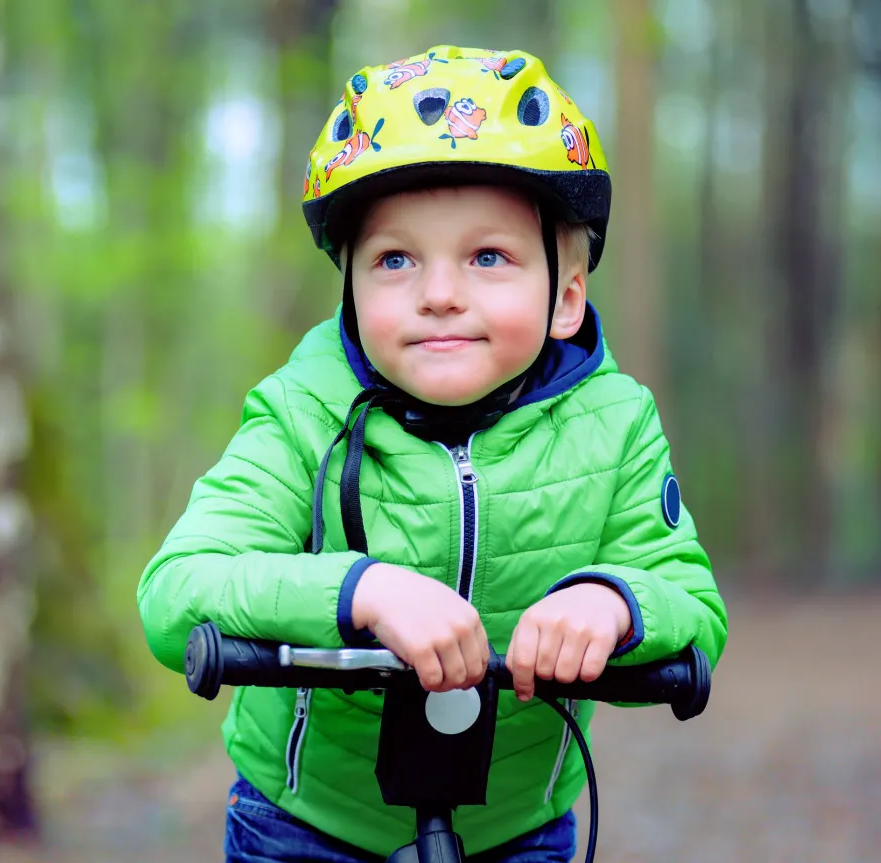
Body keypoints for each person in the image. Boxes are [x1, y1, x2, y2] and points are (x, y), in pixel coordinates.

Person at [136, 43, 729, 862]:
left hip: (518, 830)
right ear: (349, 286)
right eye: (395, 259)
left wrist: (615, 602)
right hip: (307, 826)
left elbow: (692, 601)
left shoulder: (615, 422)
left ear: (564, 296)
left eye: (488, 256)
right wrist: (360, 590)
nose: (440, 291)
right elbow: (176, 591)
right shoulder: (302, 411)